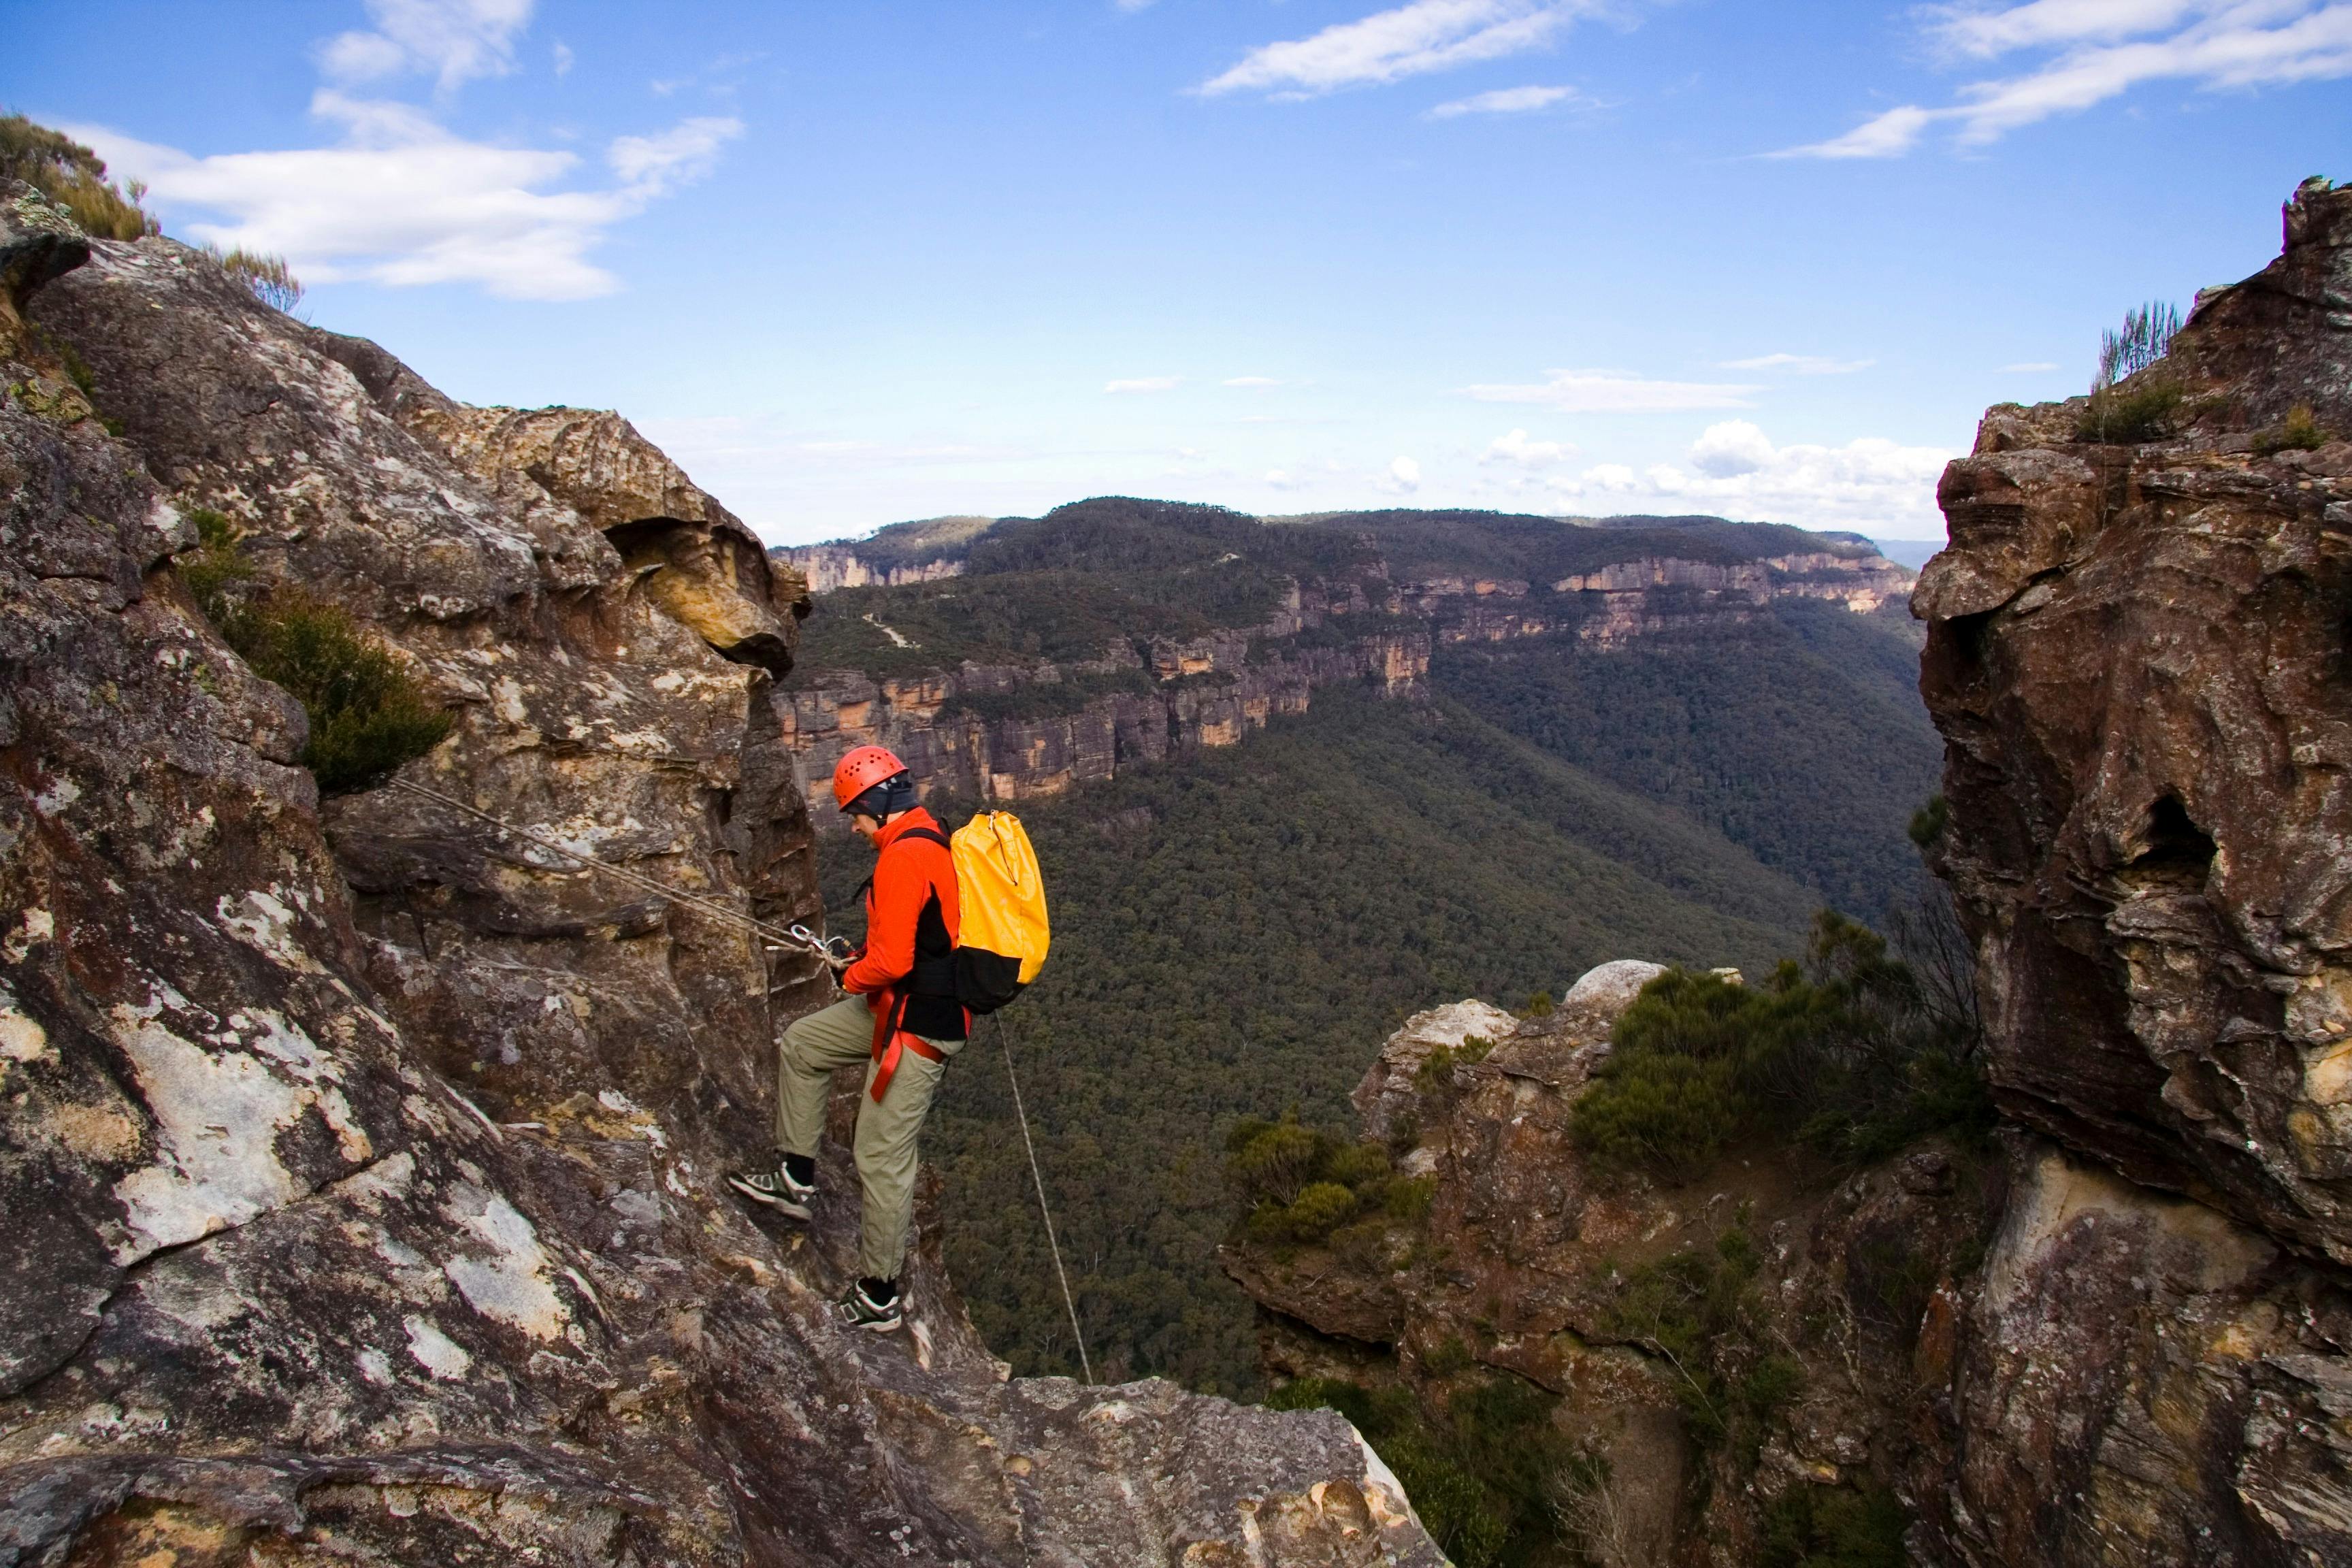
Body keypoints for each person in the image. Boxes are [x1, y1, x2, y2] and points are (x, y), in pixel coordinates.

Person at [728, 745, 966, 1333]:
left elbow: (891, 960)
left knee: (881, 1156)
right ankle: (795, 1177)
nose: (855, 827)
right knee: (805, 1044)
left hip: (921, 1023)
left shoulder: (905, 857)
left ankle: (880, 1294)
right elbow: (906, 944)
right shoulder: (923, 836)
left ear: (879, 804)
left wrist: (849, 973)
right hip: (897, 1004)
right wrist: (863, 965)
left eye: (855, 814)